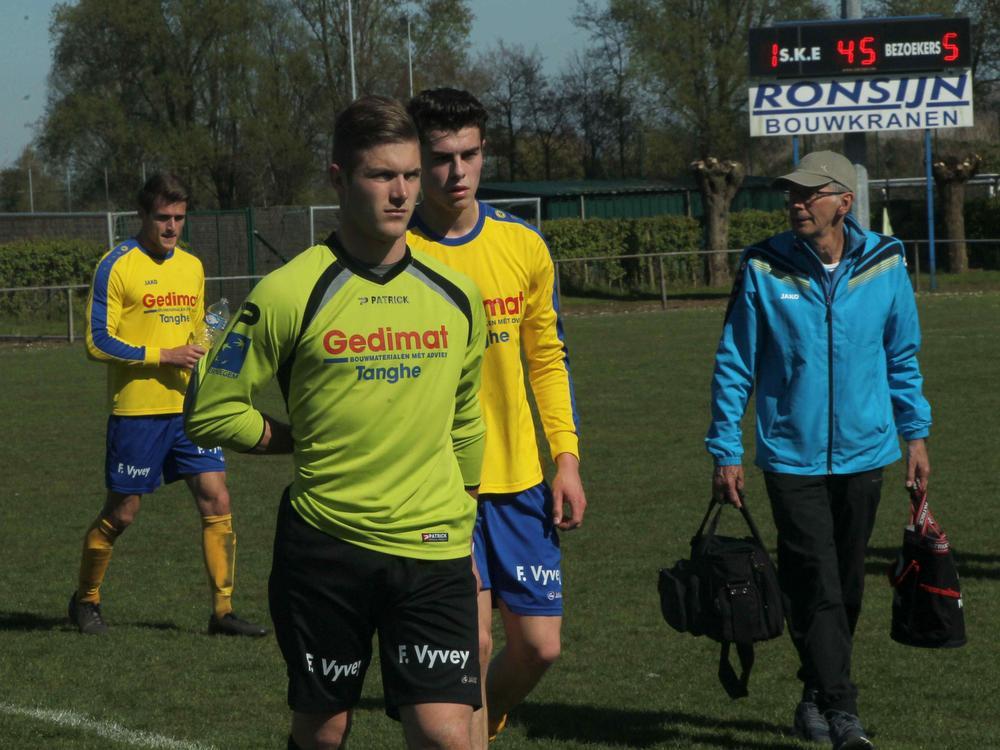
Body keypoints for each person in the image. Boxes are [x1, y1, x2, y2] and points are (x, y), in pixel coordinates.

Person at [185, 95, 487, 750]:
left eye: (410, 174)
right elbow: (211, 408)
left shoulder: (458, 294)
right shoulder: (291, 291)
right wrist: (290, 440)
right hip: (327, 550)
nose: (402, 191)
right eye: (382, 175)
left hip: (433, 547)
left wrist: (465, 513)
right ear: (338, 179)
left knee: (446, 735)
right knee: (324, 731)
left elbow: (467, 412)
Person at [706, 150, 931, 750]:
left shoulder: (886, 263)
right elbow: (734, 365)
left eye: (810, 193)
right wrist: (725, 448)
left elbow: (901, 357)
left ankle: (812, 697)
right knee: (815, 580)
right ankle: (843, 711)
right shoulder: (763, 266)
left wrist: (916, 436)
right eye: (791, 194)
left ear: (844, 202)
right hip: (790, 456)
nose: (797, 203)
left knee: (848, 586)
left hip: (867, 453)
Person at [406, 87, 588, 746]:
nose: (456, 172)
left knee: (540, 648)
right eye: (441, 157)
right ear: (417, 160)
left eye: (469, 155)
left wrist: (564, 460)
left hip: (521, 483)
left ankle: (483, 721)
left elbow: (548, 359)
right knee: (473, 640)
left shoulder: (524, 246)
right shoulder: (398, 255)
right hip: (440, 489)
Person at [70, 173, 266, 639]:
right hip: (138, 412)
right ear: (142, 215)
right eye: (163, 217)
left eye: (179, 218)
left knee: (216, 497)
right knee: (123, 513)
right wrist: (165, 355)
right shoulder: (117, 265)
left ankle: (223, 612)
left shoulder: (192, 266)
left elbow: (198, 327)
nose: (172, 226)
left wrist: (208, 340)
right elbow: (97, 342)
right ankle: (85, 599)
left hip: (190, 410)